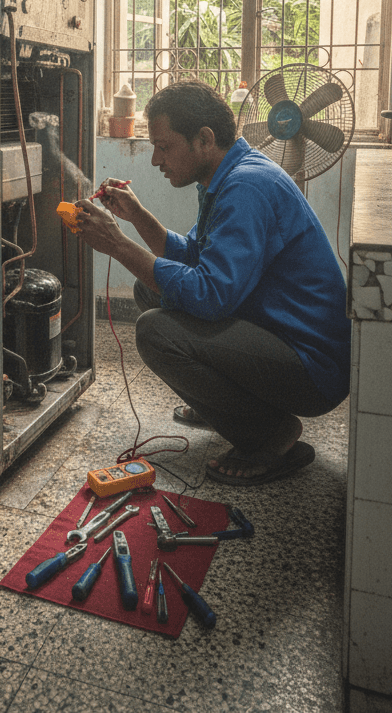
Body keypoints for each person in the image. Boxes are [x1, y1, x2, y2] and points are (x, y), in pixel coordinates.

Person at [73, 79, 351, 486]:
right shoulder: (232, 174)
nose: (155, 160)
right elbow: (198, 258)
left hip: (312, 368)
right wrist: (138, 216)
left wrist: (117, 243)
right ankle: (225, 402)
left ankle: (273, 435)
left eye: (163, 146)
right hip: (279, 334)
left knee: (156, 331)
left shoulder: (247, 188)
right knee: (149, 288)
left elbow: (209, 295)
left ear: (204, 139)